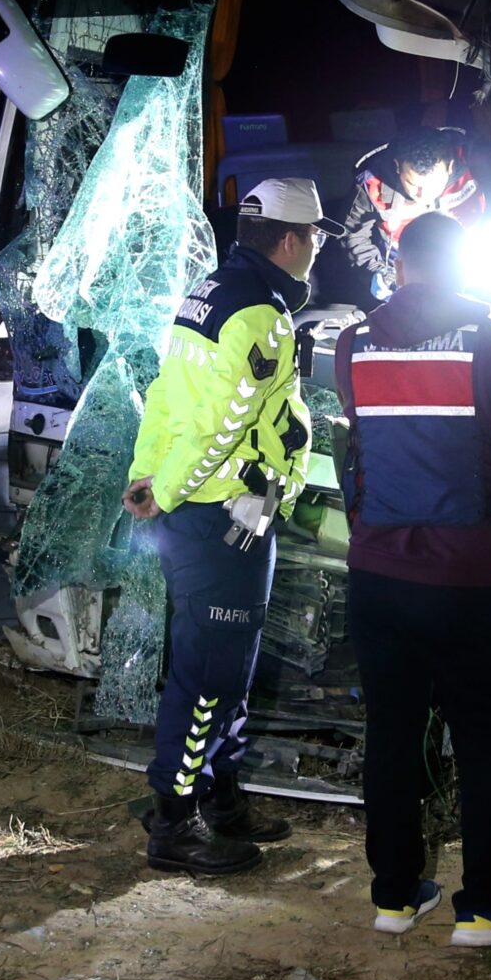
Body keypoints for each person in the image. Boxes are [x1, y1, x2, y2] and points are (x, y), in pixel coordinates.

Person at [335, 211, 491, 946]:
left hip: (377, 579)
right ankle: (483, 905)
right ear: (463, 269)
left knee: (392, 735)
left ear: (399, 267)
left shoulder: (352, 344)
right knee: (487, 743)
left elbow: (361, 454)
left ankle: (394, 896)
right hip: (465, 582)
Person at [119, 178, 331, 876]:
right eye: (316, 236)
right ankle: (175, 821)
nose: (318, 249)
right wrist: (165, 490)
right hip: (224, 512)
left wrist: (148, 475)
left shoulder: (206, 293)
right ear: (291, 240)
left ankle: (221, 798)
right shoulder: (260, 314)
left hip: (214, 510)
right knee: (210, 673)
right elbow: (218, 424)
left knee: (229, 666)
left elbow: (164, 397)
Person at [326, 128, 486, 302]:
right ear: (397, 166)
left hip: (473, 258)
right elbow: (352, 235)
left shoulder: (473, 158)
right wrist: (377, 272)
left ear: (450, 166)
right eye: (413, 184)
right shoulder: (373, 184)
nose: (423, 194)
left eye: (433, 184)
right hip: (406, 268)